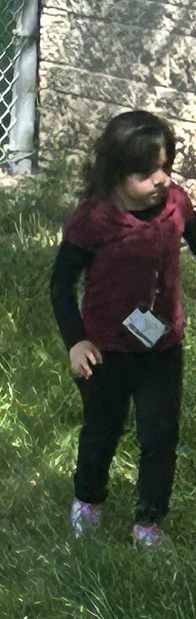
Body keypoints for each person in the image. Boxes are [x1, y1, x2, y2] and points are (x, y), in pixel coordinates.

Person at [50, 109, 196, 546]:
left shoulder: (176, 204)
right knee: (102, 430)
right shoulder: (94, 218)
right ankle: (88, 501)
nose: (160, 180)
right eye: (146, 172)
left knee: (160, 436)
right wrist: (76, 342)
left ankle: (148, 522)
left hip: (161, 345)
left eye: (165, 167)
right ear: (115, 173)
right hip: (105, 349)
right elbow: (61, 285)